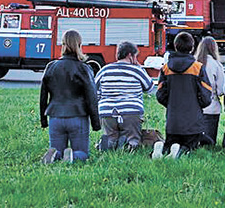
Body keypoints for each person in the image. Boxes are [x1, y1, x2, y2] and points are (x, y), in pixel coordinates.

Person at [39, 29, 100, 163]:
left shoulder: (51, 67)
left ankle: (55, 155)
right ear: (79, 45)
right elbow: (92, 97)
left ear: (63, 45)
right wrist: (96, 123)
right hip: (77, 117)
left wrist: (43, 120)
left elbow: (43, 96)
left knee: (57, 150)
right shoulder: (84, 68)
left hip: (55, 117)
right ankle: (73, 156)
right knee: (83, 153)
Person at [155, 31, 213, 158]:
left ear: (175, 46)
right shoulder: (197, 68)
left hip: (172, 123)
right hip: (193, 124)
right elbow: (206, 95)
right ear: (192, 48)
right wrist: (198, 105)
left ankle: (161, 150)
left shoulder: (165, 68)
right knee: (191, 147)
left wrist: (170, 103)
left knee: (170, 143)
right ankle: (181, 150)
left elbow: (160, 94)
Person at [94, 40, 155, 151]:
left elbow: (96, 92)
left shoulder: (104, 70)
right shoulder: (136, 70)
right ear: (130, 55)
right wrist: (140, 68)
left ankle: (108, 143)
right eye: (136, 56)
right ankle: (129, 144)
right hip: (130, 111)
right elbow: (150, 88)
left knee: (111, 135)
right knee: (133, 137)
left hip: (107, 112)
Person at [195, 36, 225, 145]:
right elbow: (221, 90)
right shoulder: (216, 65)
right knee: (209, 142)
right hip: (212, 108)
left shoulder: (194, 63)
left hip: (195, 108)